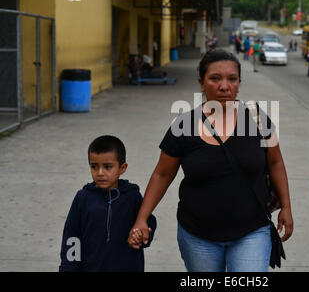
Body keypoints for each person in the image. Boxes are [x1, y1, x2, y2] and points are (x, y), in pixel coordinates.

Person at [128, 49, 293, 272]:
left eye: (232, 79)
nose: (224, 86)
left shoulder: (258, 119)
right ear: (202, 83)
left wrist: (286, 206)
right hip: (197, 235)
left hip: (252, 230)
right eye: (215, 78)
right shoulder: (183, 126)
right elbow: (162, 174)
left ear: (239, 83)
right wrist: (142, 218)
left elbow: (275, 163)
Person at [59, 135, 157, 272]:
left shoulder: (132, 197)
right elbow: (72, 238)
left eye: (107, 167)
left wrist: (141, 237)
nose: (100, 173)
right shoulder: (83, 198)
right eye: (94, 166)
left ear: (122, 168)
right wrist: (68, 269)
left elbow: (147, 223)